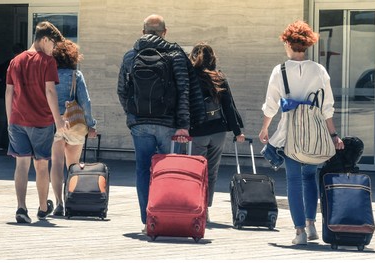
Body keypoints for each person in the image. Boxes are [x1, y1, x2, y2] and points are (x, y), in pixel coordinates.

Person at [258, 21, 344, 245]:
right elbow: (328, 106)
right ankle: (311, 224)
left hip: (290, 135)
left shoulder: (280, 71)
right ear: (307, 44)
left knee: (293, 180)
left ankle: (300, 233)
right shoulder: (319, 70)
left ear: (287, 43)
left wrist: (265, 127)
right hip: (315, 133)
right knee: (310, 177)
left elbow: (271, 104)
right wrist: (333, 135)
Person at [117, 14, 200, 232]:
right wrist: (184, 123)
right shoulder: (176, 54)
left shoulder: (130, 56)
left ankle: (148, 221)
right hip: (169, 124)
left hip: (140, 124)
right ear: (165, 31)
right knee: (170, 171)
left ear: (143, 32)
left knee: (143, 170)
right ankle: (168, 217)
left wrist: (132, 115)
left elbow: (122, 91)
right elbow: (184, 90)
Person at [5, 21, 66, 223]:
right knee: (41, 164)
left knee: (21, 164)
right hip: (41, 121)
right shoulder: (47, 62)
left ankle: (21, 208)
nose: (53, 50)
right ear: (45, 39)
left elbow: (9, 92)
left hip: (17, 121)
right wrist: (59, 122)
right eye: (53, 45)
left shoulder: (16, 61)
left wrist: (9, 121)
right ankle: (42, 207)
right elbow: (50, 91)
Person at [188, 43, 245, 221]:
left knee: (196, 171)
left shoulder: (190, 78)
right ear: (212, 58)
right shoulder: (219, 77)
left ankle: (195, 205)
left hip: (197, 132)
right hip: (218, 131)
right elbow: (229, 106)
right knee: (211, 171)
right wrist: (237, 132)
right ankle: (206, 208)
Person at [50, 39, 99, 216]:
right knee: (73, 165)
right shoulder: (75, 75)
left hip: (54, 122)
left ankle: (58, 203)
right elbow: (86, 102)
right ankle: (71, 199)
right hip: (75, 124)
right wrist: (92, 125)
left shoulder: (49, 75)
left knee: (56, 163)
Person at [0, 43, 25, 150]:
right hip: (17, 96)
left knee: (10, 120)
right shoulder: (20, 64)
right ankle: (11, 144)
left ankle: (6, 144)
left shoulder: (7, 64)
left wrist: (1, 93)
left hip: (10, 96)